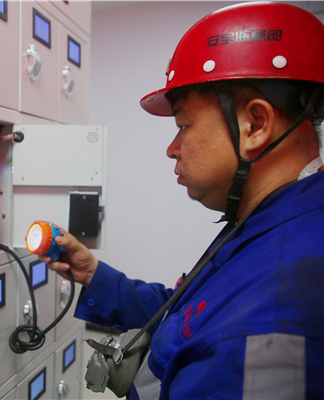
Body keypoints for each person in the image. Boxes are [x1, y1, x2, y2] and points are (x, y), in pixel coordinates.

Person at [40, 2, 324, 399]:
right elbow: (190, 317)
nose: (172, 148)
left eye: (184, 125)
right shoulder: (273, 225)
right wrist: (94, 276)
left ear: (255, 125)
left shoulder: (271, 313)